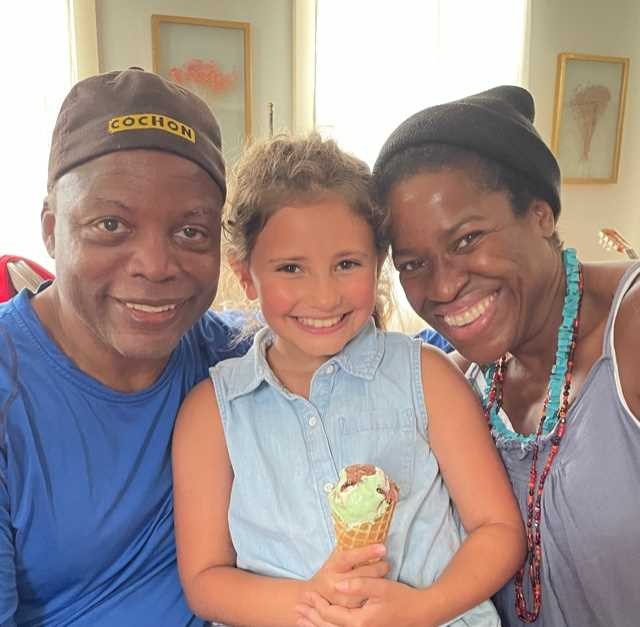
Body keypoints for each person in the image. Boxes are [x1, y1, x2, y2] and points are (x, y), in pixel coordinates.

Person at [171, 133, 525, 627]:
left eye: (346, 264)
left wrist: (420, 608)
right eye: (290, 268)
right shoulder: (212, 412)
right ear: (246, 275)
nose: (323, 296)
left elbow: (499, 528)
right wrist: (312, 603)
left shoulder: (428, 377)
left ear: (378, 264)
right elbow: (206, 580)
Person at [372, 85, 640, 627]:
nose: (443, 287)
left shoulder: (629, 333)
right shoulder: (461, 385)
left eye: (467, 240)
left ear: (541, 214)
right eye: (413, 264)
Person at [0, 68, 249, 626]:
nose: (156, 267)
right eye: (111, 224)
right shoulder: (9, 392)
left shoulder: (231, 361)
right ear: (51, 228)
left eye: (191, 232)